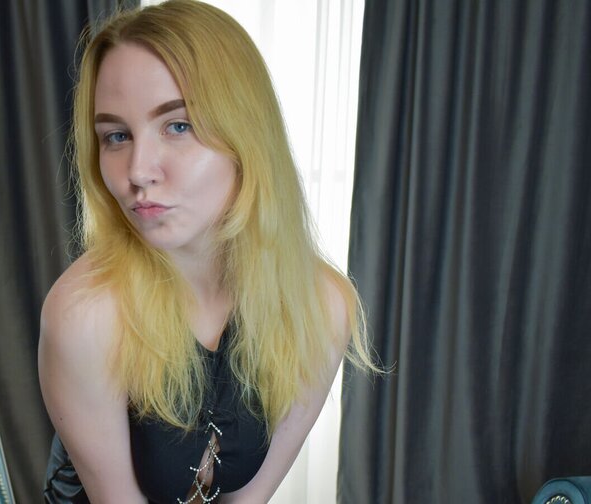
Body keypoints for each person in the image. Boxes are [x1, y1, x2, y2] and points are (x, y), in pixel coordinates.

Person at [38, 1, 380, 502]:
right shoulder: (85, 315)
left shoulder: (321, 306)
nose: (138, 171)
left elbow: (250, 498)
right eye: (116, 136)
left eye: (178, 126)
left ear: (247, 135)